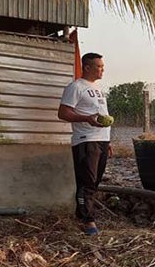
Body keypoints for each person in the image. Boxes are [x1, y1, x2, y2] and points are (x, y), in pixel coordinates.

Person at [58, 52, 113, 236]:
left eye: (103, 66)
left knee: (95, 182)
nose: (102, 70)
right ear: (87, 67)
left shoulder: (99, 88)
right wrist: (86, 119)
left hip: (101, 141)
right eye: (99, 66)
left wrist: (108, 141)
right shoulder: (76, 87)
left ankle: (80, 213)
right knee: (87, 182)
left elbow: (100, 113)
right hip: (85, 140)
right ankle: (88, 220)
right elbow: (63, 113)